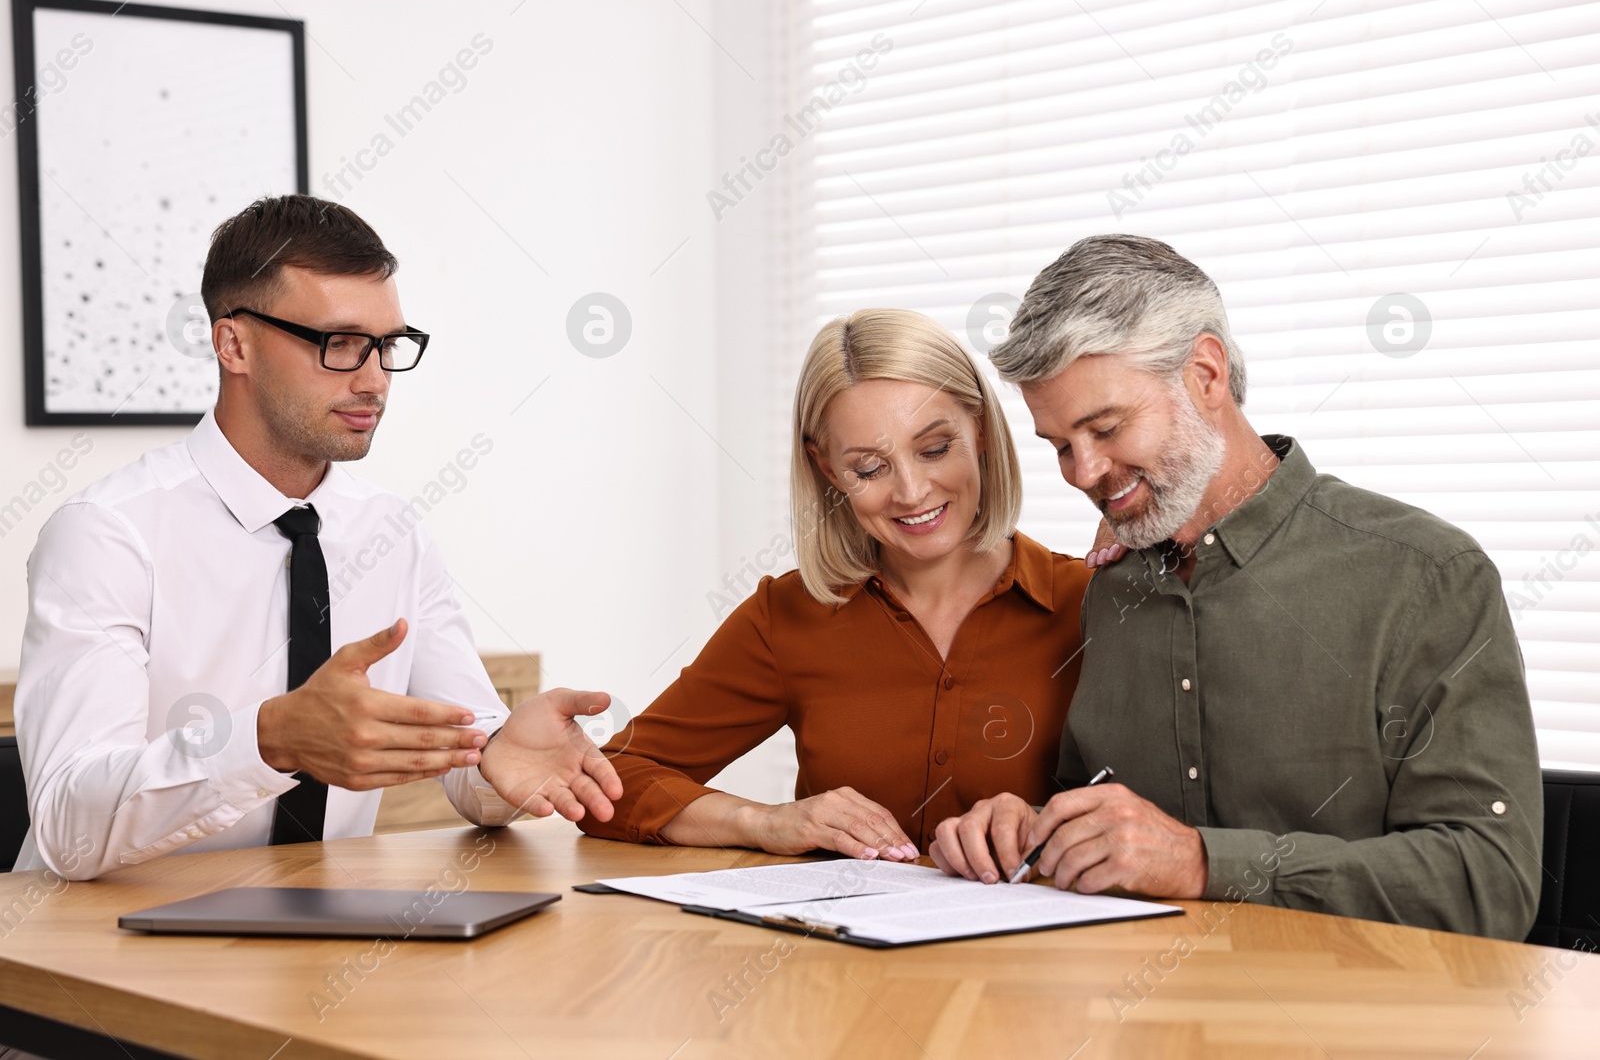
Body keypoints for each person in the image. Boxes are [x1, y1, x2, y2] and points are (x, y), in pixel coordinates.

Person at [930, 234, 1543, 941]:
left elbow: (1489, 881)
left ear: (1206, 374)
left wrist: (1203, 862)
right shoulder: (1111, 589)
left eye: (1105, 427)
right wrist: (1031, 830)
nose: (1083, 471)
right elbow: (1101, 815)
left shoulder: (1425, 576)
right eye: (1061, 444)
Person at [13, 195, 620, 881]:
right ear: (232, 343)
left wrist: (498, 755)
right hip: (98, 947)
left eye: (388, 345)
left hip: (317, 939)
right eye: (339, 343)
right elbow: (67, 825)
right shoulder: (108, 533)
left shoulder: (394, 532)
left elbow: (469, 756)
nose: (374, 380)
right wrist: (269, 739)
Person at [578, 309, 1093, 859]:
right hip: (840, 944)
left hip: (1034, 945)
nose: (913, 491)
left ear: (982, 430)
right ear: (825, 468)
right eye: (870, 468)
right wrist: (763, 822)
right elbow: (612, 782)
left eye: (935, 448)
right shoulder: (786, 616)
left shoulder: (1091, 602)